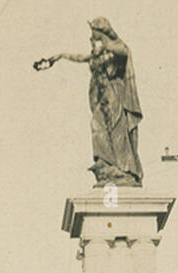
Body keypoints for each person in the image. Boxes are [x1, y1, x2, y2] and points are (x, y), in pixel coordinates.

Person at [37, 18, 143, 186]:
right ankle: (106, 163)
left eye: (94, 38)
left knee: (116, 130)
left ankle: (123, 168)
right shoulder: (96, 55)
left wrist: (104, 39)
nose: (91, 41)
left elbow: (123, 50)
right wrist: (59, 56)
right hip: (101, 99)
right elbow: (79, 57)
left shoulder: (116, 51)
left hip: (114, 96)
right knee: (97, 125)